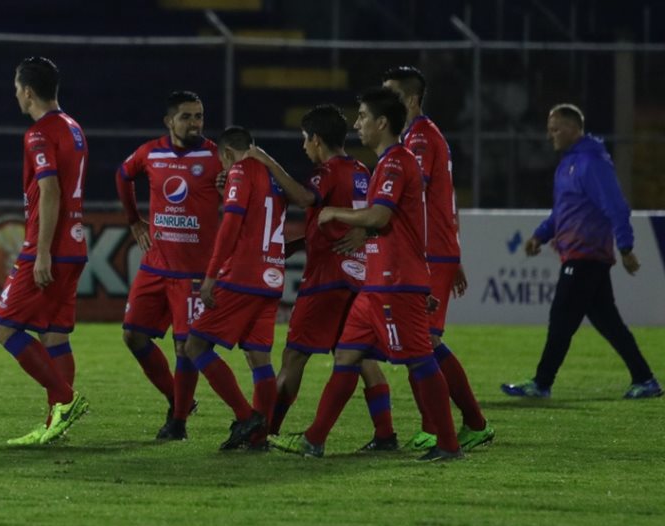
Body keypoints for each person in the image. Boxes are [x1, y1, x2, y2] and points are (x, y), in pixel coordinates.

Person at [271, 88, 463, 461]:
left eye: (362, 116)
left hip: (394, 281)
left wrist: (335, 214)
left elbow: (379, 218)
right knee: (346, 356)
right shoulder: (374, 166)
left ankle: (449, 444)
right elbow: (385, 224)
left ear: (381, 123)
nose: (357, 124)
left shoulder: (395, 163)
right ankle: (314, 439)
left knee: (420, 358)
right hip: (375, 281)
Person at [501, 103, 661, 400]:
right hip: (584, 256)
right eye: (549, 130)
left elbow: (616, 207)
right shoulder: (570, 163)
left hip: (586, 256)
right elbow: (565, 210)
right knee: (608, 322)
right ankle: (646, 380)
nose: (551, 136)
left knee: (562, 317)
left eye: (556, 129)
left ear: (574, 129)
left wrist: (626, 247)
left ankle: (541, 383)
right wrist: (541, 234)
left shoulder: (591, 163)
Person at [249, 106, 382, 445]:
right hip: (357, 275)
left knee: (294, 355)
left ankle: (267, 431)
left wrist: (266, 161)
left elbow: (305, 197)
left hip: (326, 281)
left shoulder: (326, 171)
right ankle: (386, 433)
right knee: (360, 356)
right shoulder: (361, 170)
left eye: (305, 140)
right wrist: (299, 242)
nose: (304, 147)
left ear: (317, 139)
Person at [382, 66, 494, 449]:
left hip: (429, 253)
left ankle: (459, 425)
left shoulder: (420, 141)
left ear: (412, 100)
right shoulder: (421, 136)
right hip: (435, 251)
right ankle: (443, 425)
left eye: (393, 97)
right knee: (420, 343)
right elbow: (445, 200)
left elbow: (407, 194)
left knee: (422, 344)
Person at [0, 57, 89, 446]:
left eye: (17, 89)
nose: (16, 95)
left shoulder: (38, 133)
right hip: (76, 244)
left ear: (28, 91)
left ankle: (65, 400)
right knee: (54, 336)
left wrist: (43, 251)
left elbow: (50, 191)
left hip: (48, 246)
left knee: (5, 328)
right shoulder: (74, 128)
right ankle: (55, 425)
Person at [115, 90, 223, 440]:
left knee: (184, 347)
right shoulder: (151, 152)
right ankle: (178, 399)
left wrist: (228, 184)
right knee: (132, 334)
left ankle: (178, 422)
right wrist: (134, 220)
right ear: (169, 121)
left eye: (199, 116)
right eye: (187, 117)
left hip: (193, 272)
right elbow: (123, 175)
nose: (195, 123)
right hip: (155, 265)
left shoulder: (216, 156)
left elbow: (244, 189)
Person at [173, 127, 283, 450]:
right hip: (272, 276)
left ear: (226, 155)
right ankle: (258, 439)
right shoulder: (272, 176)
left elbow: (231, 225)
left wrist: (210, 277)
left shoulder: (238, 170)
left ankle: (247, 417)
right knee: (259, 357)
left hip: (242, 276)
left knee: (194, 346)